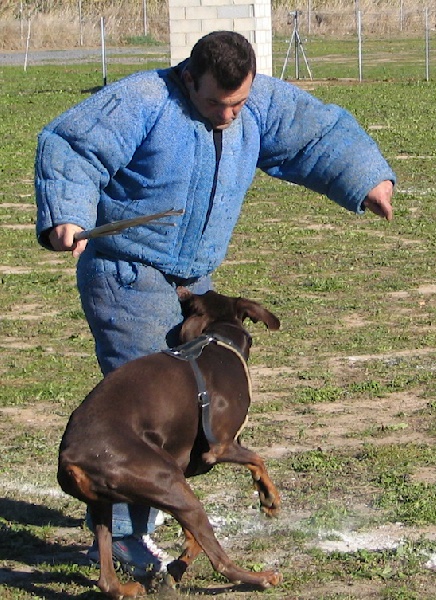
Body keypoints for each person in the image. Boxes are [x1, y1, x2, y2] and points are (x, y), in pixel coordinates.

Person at [35, 30, 395, 574]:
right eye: (214, 104)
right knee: (143, 403)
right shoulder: (143, 100)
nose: (228, 116)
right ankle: (127, 539)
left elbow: (314, 135)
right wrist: (67, 214)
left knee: (184, 404)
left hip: (194, 284)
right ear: (189, 77)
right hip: (127, 273)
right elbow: (74, 145)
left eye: (239, 103)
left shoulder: (259, 103)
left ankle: (157, 504)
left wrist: (366, 178)